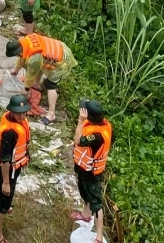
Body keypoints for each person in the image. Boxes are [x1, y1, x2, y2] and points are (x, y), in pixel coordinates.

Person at [5, 33, 76, 124]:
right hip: (56, 48)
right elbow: (22, 58)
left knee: (50, 85)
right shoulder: (25, 42)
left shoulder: (34, 58)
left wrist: (26, 88)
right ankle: (36, 85)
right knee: (41, 64)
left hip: (62, 59)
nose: (16, 56)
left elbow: (31, 73)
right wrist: (16, 70)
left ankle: (51, 114)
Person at [0, 93, 31, 243]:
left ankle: (4, 204)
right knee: (2, 199)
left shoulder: (13, 119)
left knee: (3, 194)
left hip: (15, 167)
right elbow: (5, 161)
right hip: (9, 169)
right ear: (12, 111)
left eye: (24, 112)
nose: (22, 116)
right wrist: (6, 182)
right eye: (18, 113)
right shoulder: (10, 132)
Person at [71, 100, 112, 240]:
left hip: (92, 172)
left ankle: (99, 237)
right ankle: (85, 216)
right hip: (84, 169)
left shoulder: (97, 136)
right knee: (85, 193)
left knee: (96, 204)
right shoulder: (103, 123)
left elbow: (77, 140)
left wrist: (80, 121)